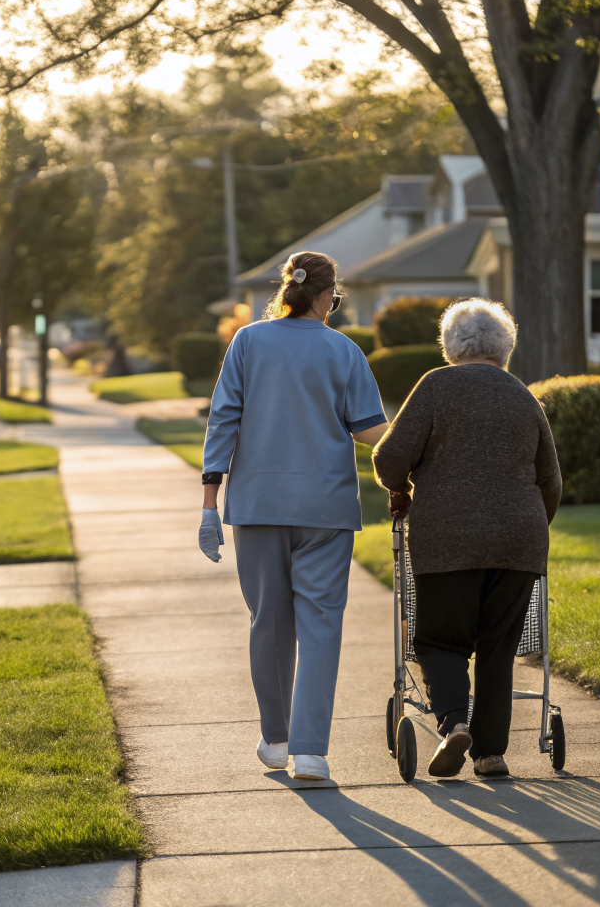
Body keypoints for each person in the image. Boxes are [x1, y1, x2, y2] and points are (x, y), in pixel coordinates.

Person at [199, 251, 388, 782]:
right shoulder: (344, 350)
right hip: (326, 508)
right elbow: (371, 430)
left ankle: (276, 739)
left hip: (257, 507)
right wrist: (421, 448)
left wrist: (209, 505)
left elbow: (223, 419)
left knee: (269, 622)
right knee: (321, 626)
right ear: (327, 297)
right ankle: (311, 752)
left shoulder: (248, 342)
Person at [372, 298, 561, 779]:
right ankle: (491, 753)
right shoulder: (523, 395)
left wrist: (400, 489)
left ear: (452, 344)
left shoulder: (436, 386)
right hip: (519, 539)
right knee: (498, 648)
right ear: (505, 346)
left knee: (441, 640)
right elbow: (551, 480)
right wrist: (531, 528)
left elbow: (390, 457)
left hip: (448, 538)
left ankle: (456, 722)